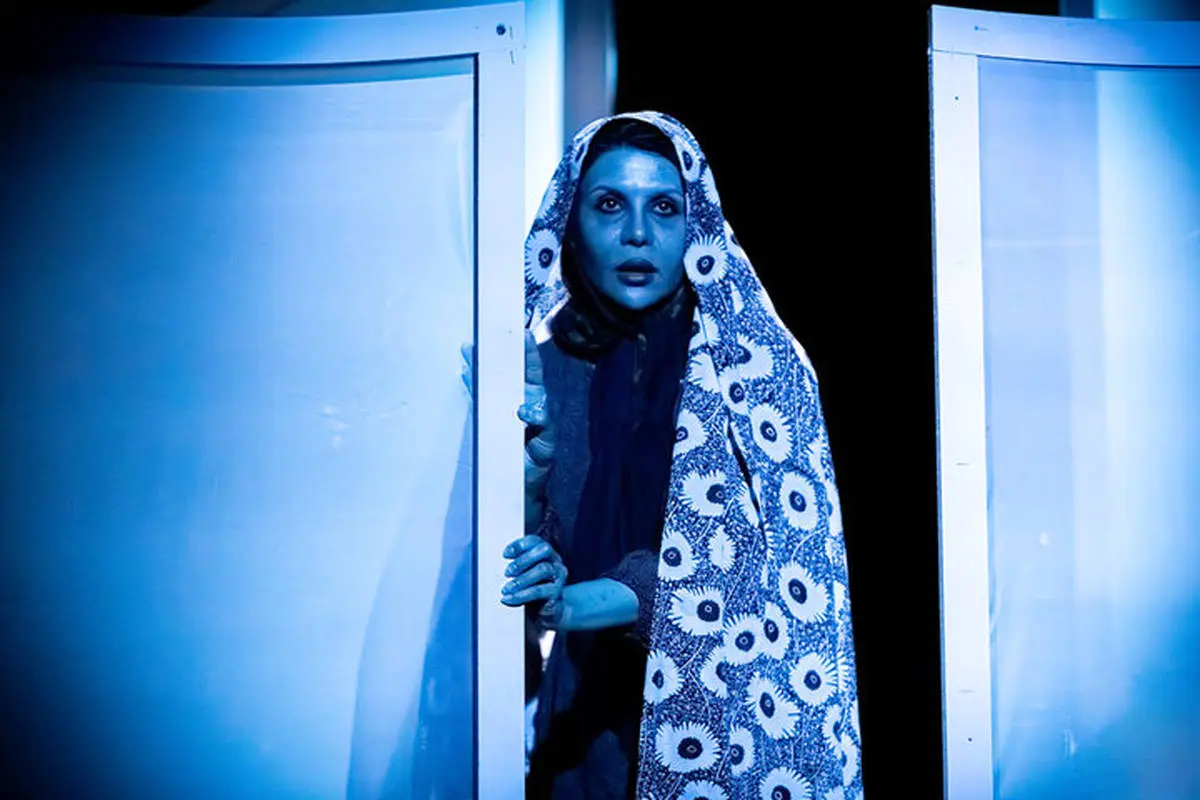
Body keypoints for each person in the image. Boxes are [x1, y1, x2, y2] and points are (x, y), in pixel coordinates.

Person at [499, 112, 863, 800]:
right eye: (610, 205)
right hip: (580, 738)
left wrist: (569, 605)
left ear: (697, 225)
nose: (638, 233)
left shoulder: (756, 373)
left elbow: (744, 572)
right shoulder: (544, 373)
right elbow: (519, 561)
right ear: (570, 225)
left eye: (664, 207)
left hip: (733, 723)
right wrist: (530, 477)